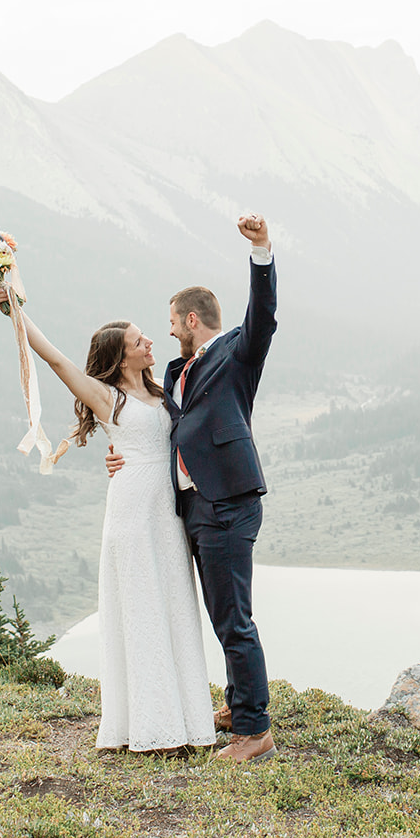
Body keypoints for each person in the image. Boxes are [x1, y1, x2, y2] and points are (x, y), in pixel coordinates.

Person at [0, 289, 215, 754]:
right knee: (142, 613)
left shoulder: (161, 389)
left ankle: (189, 722)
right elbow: (54, 360)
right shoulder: (106, 398)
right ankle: (153, 731)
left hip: (168, 515)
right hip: (132, 513)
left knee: (174, 608)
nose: (150, 342)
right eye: (138, 340)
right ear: (121, 356)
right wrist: (13, 308)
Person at [107, 212, 278, 763]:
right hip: (194, 506)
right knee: (219, 611)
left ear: (189, 318)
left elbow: (264, 318)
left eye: (172, 323)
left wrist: (261, 251)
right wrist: (122, 456)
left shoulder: (234, 353)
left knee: (234, 617)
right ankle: (240, 701)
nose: (168, 332)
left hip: (229, 501)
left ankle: (254, 732)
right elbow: (157, 428)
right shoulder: (176, 373)